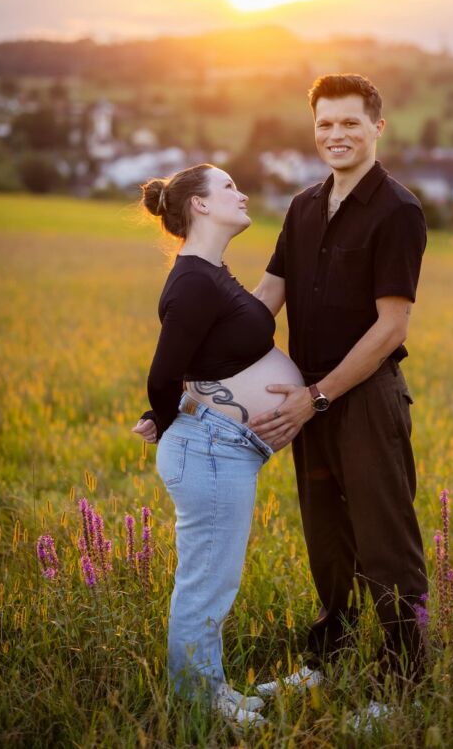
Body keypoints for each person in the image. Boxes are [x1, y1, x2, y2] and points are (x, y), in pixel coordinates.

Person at [249, 74, 428, 719]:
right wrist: (200, 351)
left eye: (350, 122)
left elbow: (391, 327)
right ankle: (326, 662)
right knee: (325, 538)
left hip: (362, 398)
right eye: (325, 124)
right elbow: (266, 300)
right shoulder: (302, 207)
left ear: (377, 127)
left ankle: (402, 687)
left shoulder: (398, 210)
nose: (336, 135)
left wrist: (317, 397)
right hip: (307, 399)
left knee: (385, 540)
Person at [131, 163, 303, 728]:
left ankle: (209, 689)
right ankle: (198, 702)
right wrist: (161, 416)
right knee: (207, 582)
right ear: (200, 205)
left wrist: (168, 413)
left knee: (213, 579)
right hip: (208, 450)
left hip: (219, 447)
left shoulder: (212, 273)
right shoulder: (194, 280)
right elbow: (163, 375)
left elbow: (199, 359)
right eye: (228, 186)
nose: (242, 192)